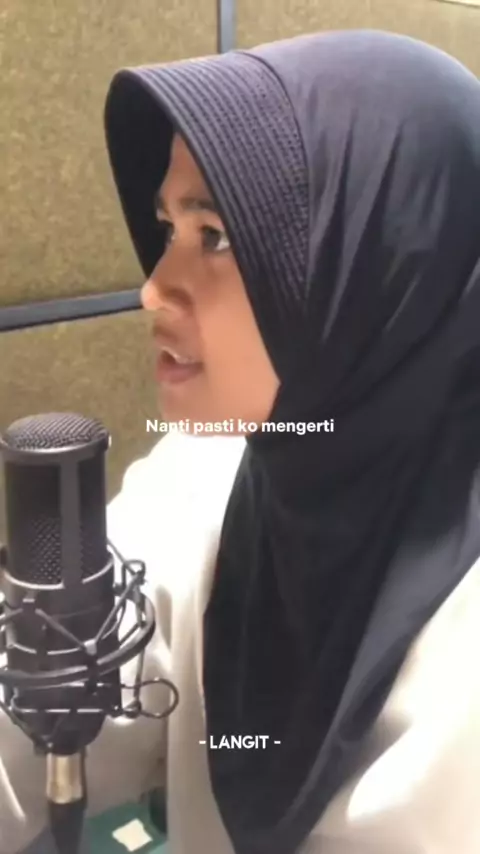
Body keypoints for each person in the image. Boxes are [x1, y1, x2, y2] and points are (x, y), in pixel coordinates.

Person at [2, 27, 480, 854]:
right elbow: (47, 712)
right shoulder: (208, 480)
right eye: (168, 230)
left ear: (382, 264)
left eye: (214, 237)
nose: (155, 289)